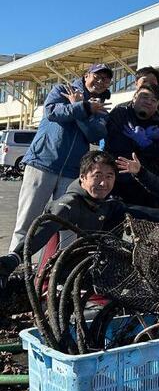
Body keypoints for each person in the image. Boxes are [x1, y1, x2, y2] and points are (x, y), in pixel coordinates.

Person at [4, 150, 159, 269]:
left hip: (95, 268)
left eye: (109, 177)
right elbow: (44, 229)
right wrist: (15, 257)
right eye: (97, 176)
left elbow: (145, 213)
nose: (103, 183)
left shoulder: (107, 204)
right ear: (82, 178)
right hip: (60, 277)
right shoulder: (68, 203)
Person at [8, 64, 112, 258]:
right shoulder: (61, 90)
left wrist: (81, 108)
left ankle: (61, 274)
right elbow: (53, 113)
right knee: (27, 222)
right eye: (97, 76)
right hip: (42, 162)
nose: (101, 81)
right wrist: (84, 108)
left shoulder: (101, 108)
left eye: (106, 79)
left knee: (68, 225)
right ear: (86, 75)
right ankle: (13, 268)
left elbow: (95, 133)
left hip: (72, 172)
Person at [104, 83, 159, 207]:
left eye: (154, 100)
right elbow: (114, 145)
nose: (149, 102)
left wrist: (146, 143)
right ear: (134, 97)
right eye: (145, 97)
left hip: (146, 180)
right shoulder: (120, 113)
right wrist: (139, 141)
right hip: (118, 178)